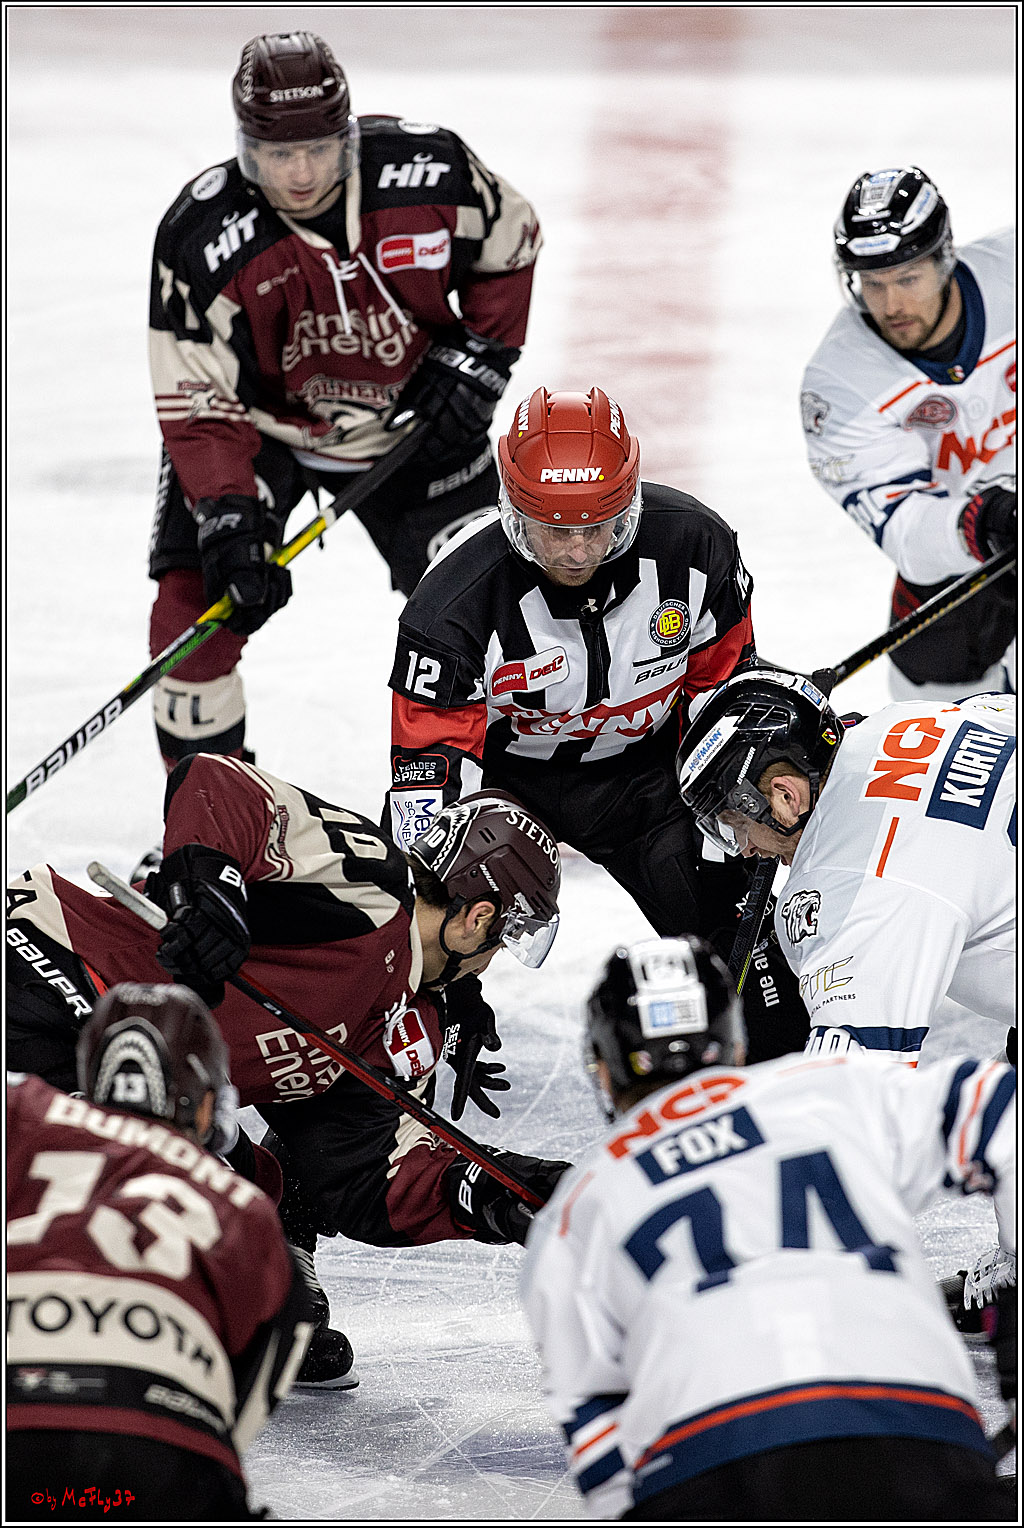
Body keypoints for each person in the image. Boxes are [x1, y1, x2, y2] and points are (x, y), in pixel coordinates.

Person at [6, 753, 569, 1388]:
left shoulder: (409, 1024)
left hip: (142, 1093)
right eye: (499, 943)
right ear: (479, 920)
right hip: (47, 969)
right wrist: (208, 890)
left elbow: (358, 1175)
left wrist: (496, 1194)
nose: (489, 965)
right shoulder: (371, 886)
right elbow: (216, 781)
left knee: (266, 1301)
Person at [147, 30, 541, 770]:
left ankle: (501, 811)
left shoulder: (431, 172)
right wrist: (229, 517)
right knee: (194, 610)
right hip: (262, 430)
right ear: (244, 147)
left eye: (318, 150)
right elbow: (197, 399)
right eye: (274, 155)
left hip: (414, 428)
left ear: (347, 134)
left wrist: (480, 360)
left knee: (495, 612)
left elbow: (511, 243)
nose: (298, 174)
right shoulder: (200, 235)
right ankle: (205, 825)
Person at [520, 935, 1016, 1521]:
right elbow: (1002, 1114)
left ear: (603, 1071)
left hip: (709, 1474)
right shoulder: (829, 1090)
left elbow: (598, 1435)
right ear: (734, 1042)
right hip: (912, 1433)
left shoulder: (576, 1206)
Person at [387, 384, 810, 1063]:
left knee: (758, 986)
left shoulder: (696, 547)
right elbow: (424, 797)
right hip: (509, 793)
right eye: (557, 529)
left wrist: (747, 789)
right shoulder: (451, 607)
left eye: (600, 524)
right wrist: (447, 974)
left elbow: (720, 699)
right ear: (514, 509)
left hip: (654, 782)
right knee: (414, 930)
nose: (579, 551)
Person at [7, 983, 313, 1522]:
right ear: (207, 1106)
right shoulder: (244, 1205)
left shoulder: (23, 1113)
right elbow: (260, 1376)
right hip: (161, 1453)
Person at [674, 666, 1016, 1067]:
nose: (745, 851)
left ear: (786, 798)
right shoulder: (908, 720)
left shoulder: (846, 894)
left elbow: (851, 1095)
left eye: (738, 827)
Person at [801, 165, 1016, 701]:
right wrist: (985, 522)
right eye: (872, 284)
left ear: (945, 257)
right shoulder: (839, 386)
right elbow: (905, 529)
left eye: (907, 279)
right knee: (932, 657)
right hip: (977, 551)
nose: (891, 305)